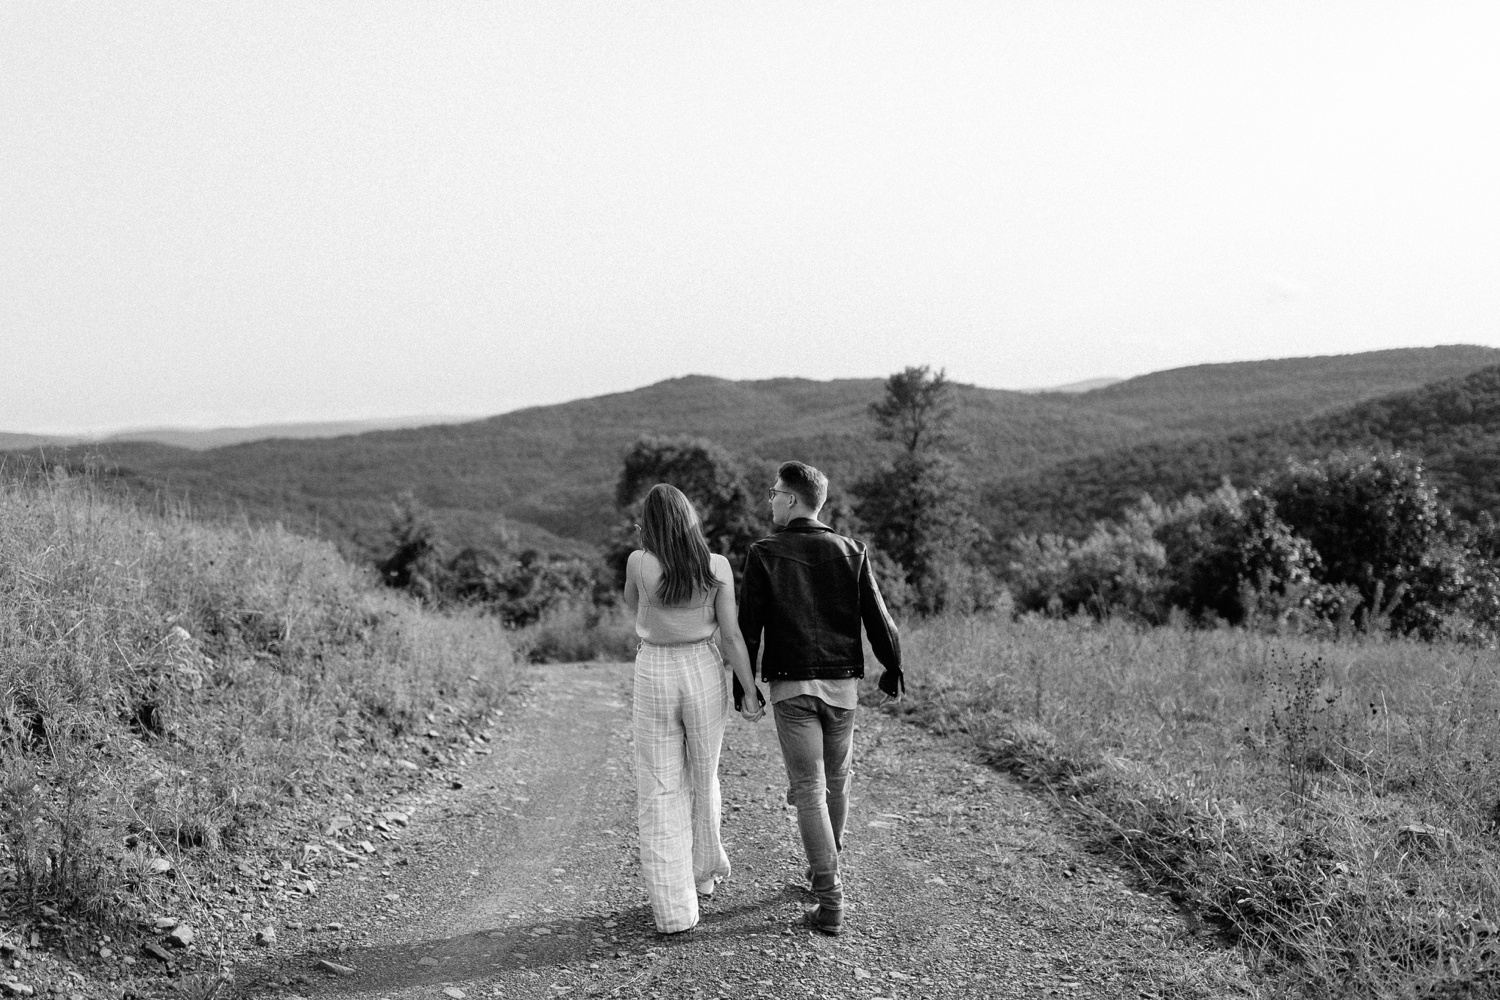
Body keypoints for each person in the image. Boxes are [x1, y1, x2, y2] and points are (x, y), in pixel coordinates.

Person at [737, 461, 903, 937]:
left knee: (809, 789)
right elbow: (879, 617)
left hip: (792, 687)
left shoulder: (765, 552)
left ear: (792, 500)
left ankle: (830, 898)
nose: (769, 500)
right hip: (842, 688)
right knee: (838, 781)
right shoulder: (852, 549)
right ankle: (821, 874)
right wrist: (893, 666)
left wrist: (743, 688)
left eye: (773, 493)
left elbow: (749, 629)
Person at [623, 483, 763, 935]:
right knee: (705, 774)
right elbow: (732, 636)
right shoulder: (717, 566)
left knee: (661, 784)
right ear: (690, 519)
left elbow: (633, 609)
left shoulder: (638, 562)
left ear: (650, 523)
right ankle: (704, 875)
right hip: (703, 667)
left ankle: (673, 910)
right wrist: (750, 689)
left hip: (655, 670)